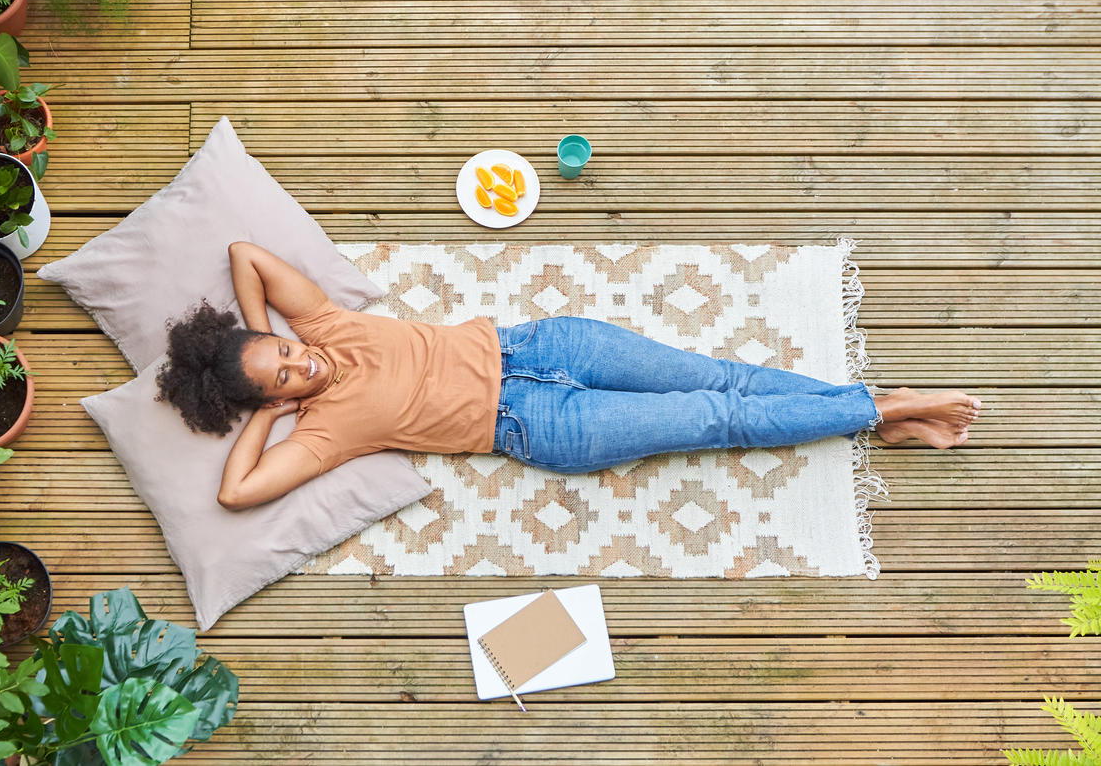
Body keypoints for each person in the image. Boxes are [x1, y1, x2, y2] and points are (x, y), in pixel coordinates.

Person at [156, 242, 982, 511]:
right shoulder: (323, 433)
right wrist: (260, 405)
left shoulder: (323, 325)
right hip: (538, 429)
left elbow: (245, 255)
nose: (307, 362)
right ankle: (881, 408)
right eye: (289, 377)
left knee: (714, 373)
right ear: (282, 401)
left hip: (545, 348)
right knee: (713, 416)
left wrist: (257, 341)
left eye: (290, 353)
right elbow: (237, 494)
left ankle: (875, 412)